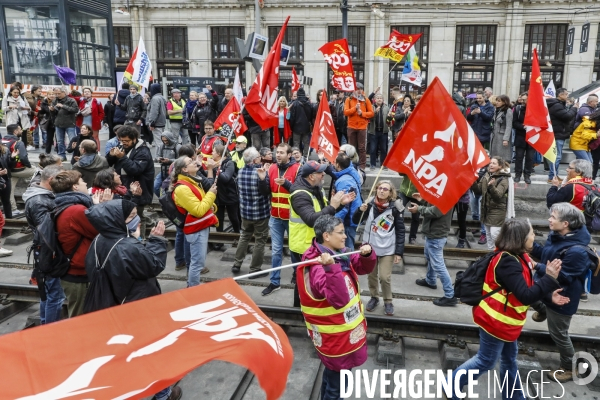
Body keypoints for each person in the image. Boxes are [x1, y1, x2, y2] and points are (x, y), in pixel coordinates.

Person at [450, 219, 566, 400]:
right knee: (486, 361)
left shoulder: (519, 256)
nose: (534, 237)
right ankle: (450, 386)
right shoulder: (508, 262)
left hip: (506, 323)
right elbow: (525, 295)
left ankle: (514, 396)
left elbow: (527, 286)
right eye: (531, 234)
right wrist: (549, 278)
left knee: (509, 359)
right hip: (495, 323)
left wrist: (548, 295)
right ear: (521, 238)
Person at [83, 200, 181, 400]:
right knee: (150, 351)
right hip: (137, 309)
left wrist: (133, 239)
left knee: (121, 354)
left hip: (110, 307)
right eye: (130, 216)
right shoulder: (127, 246)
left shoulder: (98, 240)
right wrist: (155, 240)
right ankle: (163, 395)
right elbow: (153, 265)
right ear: (117, 220)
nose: (136, 219)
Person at [297, 214, 376, 399]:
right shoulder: (318, 265)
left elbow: (363, 268)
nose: (345, 236)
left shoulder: (335, 254)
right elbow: (338, 299)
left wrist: (367, 254)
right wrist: (331, 268)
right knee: (338, 388)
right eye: (340, 233)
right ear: (326, 235)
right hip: (337, 340)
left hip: (342, 338)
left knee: (333, 378)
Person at [529, 203, 594, 382]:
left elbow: (563, 277)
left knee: (559, 334)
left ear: (565, 223)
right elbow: (547, 255)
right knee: (525, 293)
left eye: (553, 217)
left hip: (562, 298)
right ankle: (543, 310)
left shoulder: (577, 251)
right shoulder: (558, 236)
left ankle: (569, 367)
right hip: (547, 288)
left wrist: (537, 266)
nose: (549, 219)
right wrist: (531, 247)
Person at [289, 160, 356, 289]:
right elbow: (311, 220)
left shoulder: (314, 188)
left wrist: (340, 204)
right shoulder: (300, 195)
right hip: (303, 247)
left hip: (313, 244)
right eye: (320, 172)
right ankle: (302, 308)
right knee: (305, 285)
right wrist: (333, 205)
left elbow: (324, 214)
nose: (324, 174)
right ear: (311, 176)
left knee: (316, 281)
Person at [51, 170, 103, 318]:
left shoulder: (63, 205)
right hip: (78, 272)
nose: (86, 183)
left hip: (72, 270)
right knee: (80, 317)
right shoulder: (76, 210)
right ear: (74, 187)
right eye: (82, 182)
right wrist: (98, 207)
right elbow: (100, 230)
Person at [353, 180, 404, 316]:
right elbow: (355, 220)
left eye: (385, 189)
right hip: (370, 248)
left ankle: (388, 301)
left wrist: (399, 252)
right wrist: (359, 210)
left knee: (384, 277)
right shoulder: (369, 204)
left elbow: (400, 231)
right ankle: (374, 297)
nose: (381, 191)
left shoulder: (395, 208)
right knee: (371, 276)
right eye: (380, 188)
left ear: (390, 192)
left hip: (388, 248)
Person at [23, 165, 65, 324]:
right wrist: (52, 258)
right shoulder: (40, 201)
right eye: (61, 179)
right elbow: (45, 235)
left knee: (48, 293)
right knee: (55, 295)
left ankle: (44, 324)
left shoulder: (42, 196)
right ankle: (49, 329)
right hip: (48, 252)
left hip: (45, 251)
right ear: (51, 180)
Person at [257, 143, 300, 295]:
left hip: (292, 218)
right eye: (277, 152)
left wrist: (287, 184)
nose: (278, 155)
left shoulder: (297, 169)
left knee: (294, 249)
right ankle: (274, 282)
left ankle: (297, 274)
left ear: (289, 155)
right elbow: (265, 192)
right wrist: (262, 179)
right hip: (275, 216)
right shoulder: (272, 168)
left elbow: (300, 192)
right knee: (276, 251)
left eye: (281, 152)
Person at [171, 156, 217, 286]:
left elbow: (202, 201)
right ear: (184, 169)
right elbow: (198, 210)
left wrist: (211, 206)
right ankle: (193, 290)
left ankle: (192, 287)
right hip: (196, 229)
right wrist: (212, 194)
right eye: (190, 162)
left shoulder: (192, 182)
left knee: (197, 262)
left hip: (200, 227)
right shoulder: (182, 188)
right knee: (197, 264)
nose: (195, 162)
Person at [409, 192, 456, 306]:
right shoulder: (444, 192)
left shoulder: (447, 195)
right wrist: (423, 200)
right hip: (433, 232)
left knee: (438, 265)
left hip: (437, 234)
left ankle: (450, 295)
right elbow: (434, 206)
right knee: (429, 257)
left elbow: (435, 212)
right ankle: (430, 280)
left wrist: (419, 208)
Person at [107, 126, 155, 238]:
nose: (124, 143)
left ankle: (140, 240)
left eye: (127, 141)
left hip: (139, 189)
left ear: (134, 139)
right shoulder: (121, 146)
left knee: (137, 216)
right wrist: (111, 155)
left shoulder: (143, 152)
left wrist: (122, 157)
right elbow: (109, 162)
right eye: (122, 141)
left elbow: (135, 169)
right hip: (125, 188)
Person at [231, 148, 271, 277]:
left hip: (245, 213)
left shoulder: (241, 172)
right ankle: (255, 269)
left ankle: (237, 263)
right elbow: (266, 191)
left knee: (244, 236)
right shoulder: (260, 173)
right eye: (259, 157)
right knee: (260, 240)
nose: (261, 158)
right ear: (255, 160)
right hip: (260, 213)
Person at [471, 156, 514, 250]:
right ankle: (492, 257)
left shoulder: (504, 178)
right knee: (489, 238)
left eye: (494, 163)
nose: (491, 165)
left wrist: (491, 186)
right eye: (490, 163)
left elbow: (498, 195)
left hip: (497, 211)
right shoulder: (487, 175)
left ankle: (500, 257)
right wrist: (473, 182)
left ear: (500, 166)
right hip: (486, 210)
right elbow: (478, 190)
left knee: (495, 236)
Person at [546, 88, 579, 182]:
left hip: (558, 132)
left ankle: (554, 175)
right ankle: (553, 176)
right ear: (560, 95)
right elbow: (567, 116)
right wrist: (574, 108)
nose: (567, 96)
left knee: (556, 156)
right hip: (558, 133)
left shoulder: (558, 104)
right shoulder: (557, 106)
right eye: (566, 94)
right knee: (556, 156)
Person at [207, 142, 240, 233]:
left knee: (233, 217)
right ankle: (220, 240)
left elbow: (226, 178)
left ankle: (237, 234)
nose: (211, 153)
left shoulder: (229, 163)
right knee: (219, 218)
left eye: (213, 151)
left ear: (219, 154)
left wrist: (214, 168)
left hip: (230, 196)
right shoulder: (214, 164)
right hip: (218, 196)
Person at [332, 153, 363, 248]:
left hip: (347, 220)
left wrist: (335, 222)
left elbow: (344, 206)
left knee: (346, 247)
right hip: (353, 216)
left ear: (337, 165)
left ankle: (349, 262)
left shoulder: (343, 181)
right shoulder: (352, 172)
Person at [3, 124, 33, 215]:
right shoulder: (18, 142)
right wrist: (29, 165)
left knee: (10, 190)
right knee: (39, 171)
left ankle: (13, 209)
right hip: (18, 169)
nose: (21, 131)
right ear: (15, 132)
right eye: (20, 129)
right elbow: (23, 157)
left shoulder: (3, 140)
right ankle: (32, 192)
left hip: (7, 170)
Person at [344, 82, 374, 170]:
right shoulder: (348, 99)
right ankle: (351, 165)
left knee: (361, 148)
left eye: (361, 89)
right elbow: (345, 112)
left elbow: (371, 113)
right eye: (357, 89)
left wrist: (362, 113)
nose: (359, 91)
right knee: (351, 147)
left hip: (362, 127)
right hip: (351, 126)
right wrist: (355, 109)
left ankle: (362, 166)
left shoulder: (366, 100)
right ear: (354, 90)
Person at [50, 87, 79, 161]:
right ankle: (62, 156)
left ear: (64, 93)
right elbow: (53, 114)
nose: (57, 95)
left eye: (59, 93)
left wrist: (63, 106)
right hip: (58, 123)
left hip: (69, 123)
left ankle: (75, 155)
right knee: (59, 141)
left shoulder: (71, 100)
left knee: (72, 140)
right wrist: (52, 110)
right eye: (56, 94)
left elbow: (75, 110)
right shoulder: (55, 100)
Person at [513, 92, 534, 184]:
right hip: (521, 136)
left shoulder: (536, 109)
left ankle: (527, 175)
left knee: (530, 158)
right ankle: (518, 174)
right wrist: (523, 126)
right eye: (522, 99)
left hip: (532, 137)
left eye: (525, 99)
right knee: (519, 157)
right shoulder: (518, 109)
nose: (523, 101)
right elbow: (514, 123)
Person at [153, 131, 181, 198]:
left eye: (166, 140)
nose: (165, 142)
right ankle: (163, 200)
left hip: (174, 171)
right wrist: (159, 159)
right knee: (155, 186)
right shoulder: (162, 146)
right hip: (163, 170)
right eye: (163, 140)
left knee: (169, 189)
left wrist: (169, 161)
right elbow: (157, 156)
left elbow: (181, 160)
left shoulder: (178, 146)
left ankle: (167, 200)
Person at [287, 87, 313, 155]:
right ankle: (305, 156)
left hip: (296, 127)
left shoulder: (294, 104)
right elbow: (311, 115)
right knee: (306, 143)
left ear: (298, 94)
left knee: (296, 144)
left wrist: (291, 127)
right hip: (306, 127)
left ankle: (296, 157)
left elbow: (292, 117)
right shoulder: (309, 103)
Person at [367, 93, 390, 170]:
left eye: (381, 98)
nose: (379, 99)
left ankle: (383, 164)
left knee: (384, 148)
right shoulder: (371, 107)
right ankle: (372, 164)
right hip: (374, 131)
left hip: (383, 131)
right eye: (378, 98)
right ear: (375, 100)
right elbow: (369, 118)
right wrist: (375, 113)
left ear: (383, 100)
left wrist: (390, 117)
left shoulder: (386, 108)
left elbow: (389, 120)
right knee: (373, 149)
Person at [398, 174, 421, 245]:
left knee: (416, 217)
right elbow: (400, 173)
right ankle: (397, 234)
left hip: (417, 194)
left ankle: (412, 237)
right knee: (397, 212)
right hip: (404, 191)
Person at [490, 95, 513, 161]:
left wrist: (506, 139)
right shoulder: (496, 110)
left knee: (503, 156)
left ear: (504, 102)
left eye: (499, 101)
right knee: (494, 155)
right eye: (496, 100)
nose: (496, 102)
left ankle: (504, 169)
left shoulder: (508, 111)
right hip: (494, 135)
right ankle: (495, 168)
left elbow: (509, 126)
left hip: (502, 136)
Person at [146, 83, 168, 149]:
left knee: (158, 141)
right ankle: (160, 156)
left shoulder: (155, 98)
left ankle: (160, 156)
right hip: (161, 122)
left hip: (156, 123)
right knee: (161, 140)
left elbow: (154, 112)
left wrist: (152, 123)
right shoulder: (162, 98)